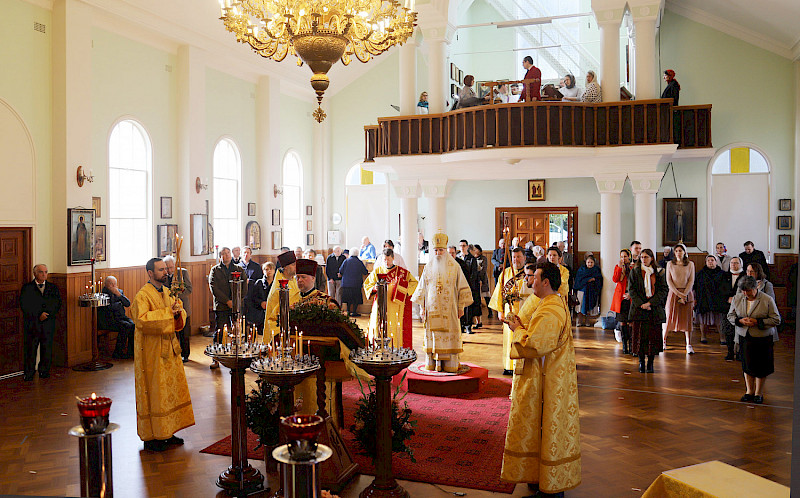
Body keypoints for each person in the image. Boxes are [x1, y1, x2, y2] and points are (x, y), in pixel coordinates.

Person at [502, 262, 580, 496]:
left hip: (548, 381)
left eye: (535, 277)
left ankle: (551, 488)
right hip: (549, 377)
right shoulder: (551, 304)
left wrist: (517, 329)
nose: (531, 281)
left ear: (546, 282)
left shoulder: (551, 309)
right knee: (541, 428)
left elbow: (536, 345)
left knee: (547, 427)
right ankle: (539, 479)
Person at [132, 257, 194, 452]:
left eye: (165, 269)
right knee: (156, 391)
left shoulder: (168, 292)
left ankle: (169, 430)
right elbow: (142, 321)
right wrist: (169, 313)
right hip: (152, 352)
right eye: (161, 270)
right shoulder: (142, 295)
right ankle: (153, 436)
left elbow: (180, 313)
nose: (165, 272)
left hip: (170, 349)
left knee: (170, 391)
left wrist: (177, 314)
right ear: (150, 273)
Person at [411, 233, 473, 372]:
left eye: (441, 250)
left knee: (449, 336)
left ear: (445, 251)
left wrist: (461, 307)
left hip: (450, 310)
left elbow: (462, 288)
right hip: (431, 310)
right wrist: (422, 308)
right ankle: (434, 364)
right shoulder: (428, 267)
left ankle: (450, 365)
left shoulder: (455, 267)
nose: (438, 253)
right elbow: (422, 289)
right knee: (434, 336)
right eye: (436, 250)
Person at [728, 276, 781, 404]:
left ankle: (759, 393)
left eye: (748, 291)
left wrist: (758, 322)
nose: (746, 294)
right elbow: (730, 315)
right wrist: (740, 321)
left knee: (761, 367)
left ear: (756, 287)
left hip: (762, 338)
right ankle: (749, 391)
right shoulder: (738, 298)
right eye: (743, 291)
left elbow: (776, 319)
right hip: (745, 336)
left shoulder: (767, 299)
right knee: (747, 365)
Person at [363, 248, 419, 348]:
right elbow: (367, 284)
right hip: (380, 303)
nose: (387, 262)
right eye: (384, 260)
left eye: (388, 259)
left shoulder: (401, 272)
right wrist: (374, 288)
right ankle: (378, 346)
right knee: (378, 324)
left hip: (394, 305)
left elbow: (414, 283)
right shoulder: (378, 271)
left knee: (393, 325)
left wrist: (404, 291)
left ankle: (395, 346)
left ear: (393, 258)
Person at [489, 247, 531, 375]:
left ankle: (522, 364)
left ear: (524, 258)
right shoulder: (506, 273)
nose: (516, 259)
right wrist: (500, 311)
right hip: (509, 311)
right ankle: (509, 366)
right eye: (513, 257)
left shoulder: (528, 273)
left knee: (521, 337)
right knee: (509, 339)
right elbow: (499, 294)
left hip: (524, 311)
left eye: (518, 257)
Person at [627, 249, 668, 373]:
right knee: (640, 337)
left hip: (654, 309)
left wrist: (650, 303)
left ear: (651, 258)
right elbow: (632, 290)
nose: (644, 259)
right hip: (639, 309)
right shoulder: (635, 271)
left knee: (653, 338)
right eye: (642, 257)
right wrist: (642, 304)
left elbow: (663, 290)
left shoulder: (659, 272)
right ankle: (641, 362)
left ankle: (650, 363)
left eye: (646, 257)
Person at [19, 264, 62, 381]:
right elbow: (25, 305)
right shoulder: (27, 288)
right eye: (41, 272)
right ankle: (29, 373)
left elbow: (57, 303)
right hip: (33, 324)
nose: (44, 274)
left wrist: (47, 314)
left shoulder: (53, 288)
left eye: (46, 272)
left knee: (46, 348)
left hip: (48, 323)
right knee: (31, 349)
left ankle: (44, 371)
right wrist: (38, 314)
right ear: (35, 274)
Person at [208, 246, 237, 369]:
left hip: (236, 305)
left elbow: (244, 286)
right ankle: (216, 358)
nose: (227, 255)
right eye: (224, 253)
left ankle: (238, 356)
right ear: (220, 256)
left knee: (238, 331)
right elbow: (214, 288)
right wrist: (227, 301)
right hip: (221, 305)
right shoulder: (215, 270)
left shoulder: (238, 268)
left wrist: (235, 301)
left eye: (228, 252)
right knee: (219, 331)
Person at [664, 243, 696, 354]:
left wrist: (685, 294)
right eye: (676, 250)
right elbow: (669, 281)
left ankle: (688, 344)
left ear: (685, 252)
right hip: (673, 293)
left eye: (680, 250)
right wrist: (678, 294)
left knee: (687, 319)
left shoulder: (691, 264)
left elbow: (691, 281)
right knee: (669, 317)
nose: (678, 252)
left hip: (687, 293)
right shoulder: (670, 264)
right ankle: (663, 341)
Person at [263, 251, 300, 337]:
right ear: (286, 267)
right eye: (293, 265)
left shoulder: (293, 279)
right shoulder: (279, 286)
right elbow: (276, 313)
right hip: (280, 328)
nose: (296, 267)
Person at [98, 275, 135, 359]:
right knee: (125, 326)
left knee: (133, 325)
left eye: (114, 284)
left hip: (121, 317)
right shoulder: (103, 294)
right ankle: (118, 352)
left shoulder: (119, 292)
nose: (113, 286)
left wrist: (119, 295)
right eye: (111, 284)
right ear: (106, 285)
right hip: (109, 319)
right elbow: (109, 308)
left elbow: (127, 304)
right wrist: (118, 304)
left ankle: (131, 351)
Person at [164, 256, 193, 362]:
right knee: (172, 333)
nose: (169, 270)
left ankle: (186, 355)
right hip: (169, 309)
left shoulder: (183, 272)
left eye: (171, 267)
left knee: (184, 333)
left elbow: (189, 289)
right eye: (167, 268)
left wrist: (177, 296)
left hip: (183, 308)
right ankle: (174, 353)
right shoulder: (163, 276)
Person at [693, 255, 727, 344]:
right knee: (703, 320)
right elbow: (695, 287)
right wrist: (695, 299)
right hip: (704, 299)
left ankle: (722, 338)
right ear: (706, 262)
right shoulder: (700, 273)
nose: (710, 262)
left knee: (720, 321)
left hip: (718, 300)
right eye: (708, 260)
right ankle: (703, 336)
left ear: (716, 262)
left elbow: (725, 288)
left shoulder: (722, 274)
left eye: (712, 260)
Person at [720, 256, 746, 360]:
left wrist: (735, 299)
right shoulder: (724, 275)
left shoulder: (745, 276)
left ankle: (740, 353)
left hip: (741, 307)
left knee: (740, 331)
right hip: (726, 307)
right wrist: (727, 298)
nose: (733, 265)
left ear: (741, 264)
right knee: (728, 331)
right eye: (731, 263)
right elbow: (720, 290)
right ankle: (730, 352)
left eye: (736, 263)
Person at [448, 245, 475, 333]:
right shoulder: (443, 264)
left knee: (463, 311)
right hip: (447, 294)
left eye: (453, 253)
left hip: (459, 291)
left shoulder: (461, 264)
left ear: (456, 253)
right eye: (449, 253)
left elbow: (466, 278)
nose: (451, 255)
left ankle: (466, 326)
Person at [611, 249, 633, 355]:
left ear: (629, 256)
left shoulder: (634, 267)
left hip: (631, 298)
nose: (623, 259)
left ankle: (632, 345)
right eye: (621, 256)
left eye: (625, 256)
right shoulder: (618, 267)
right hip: (621, 298)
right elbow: (615, 279)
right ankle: (625, 345)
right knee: (623, 322)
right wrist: (620, 267)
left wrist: (631, 294)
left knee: (631, 322)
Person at [339, 246, 369, 316]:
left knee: (348, 299)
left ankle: (348, 311)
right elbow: (365, 272)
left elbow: (341, 271)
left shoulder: (346, 261)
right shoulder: (359, 262)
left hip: (346, 284)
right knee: (356, 299)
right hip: (356, 284)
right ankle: (354, 312)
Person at [574, 255, 603, 326]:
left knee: (589, 307)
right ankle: (579, 321)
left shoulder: (596, 270)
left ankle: (587, 320)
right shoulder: (582, 270)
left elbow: (599, 280)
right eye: (588, 262)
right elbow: (578, 280)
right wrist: (588, 280)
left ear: (594, 263)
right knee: (580, 307)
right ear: (586, 262)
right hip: (582, 291)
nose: (590, 264)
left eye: (591, 262)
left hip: (592, 291)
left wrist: (594, 280)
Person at [249, 261, 275, 335]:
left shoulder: (277, 283)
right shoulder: (259, 283)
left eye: (271, 269)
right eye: (266, 269)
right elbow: (253, 298)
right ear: (263, 271)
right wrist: (261, 303)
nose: (269, 271)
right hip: (261, 312)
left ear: (274, 270)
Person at [473, 244, 491, 310]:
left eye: (476, 249)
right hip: (475, 279)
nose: (475, 251)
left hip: (483, 278)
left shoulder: (483, 258)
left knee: (486, 295)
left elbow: (484, 269)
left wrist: (480, 277)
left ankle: (490, 311)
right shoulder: (473, 258)